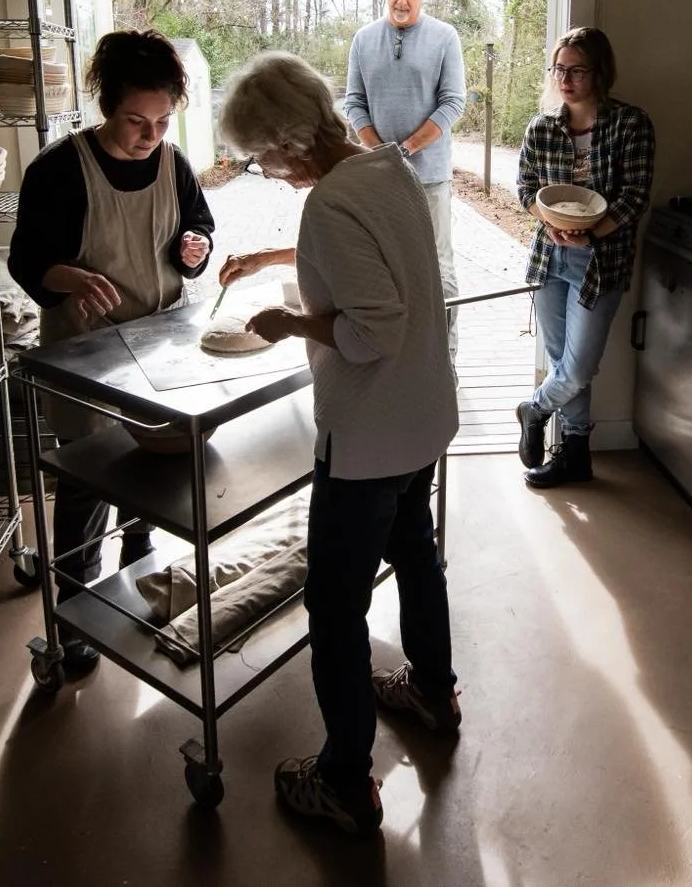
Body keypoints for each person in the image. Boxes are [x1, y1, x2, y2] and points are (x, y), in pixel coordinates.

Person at [218, 51, 459, 838]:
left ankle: (345, 780)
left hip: (370, 432)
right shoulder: (384, 167)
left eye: (262, 156)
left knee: (335, 606)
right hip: (423, 415)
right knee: (416, 553)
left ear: (286, 143)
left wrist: (292, 324)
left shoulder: (326, 203)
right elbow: (375, 261)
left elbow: (371, 328)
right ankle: (431, 690)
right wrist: (281, 261)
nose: (267, 170)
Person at [9, 30, 215, 674]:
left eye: (161, 121)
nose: (149, 135)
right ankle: (73, 619)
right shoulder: (59, 170)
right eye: (135, 120)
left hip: (162, 347)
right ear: (106, 106)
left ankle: (141, 567)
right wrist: (69, 277)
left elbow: (198, 225)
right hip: (87, 357)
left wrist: (195, 246)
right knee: (87, 484)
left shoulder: (173, 164)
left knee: (152, 475)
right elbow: (27, 260)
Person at [515, 26, 655, 489]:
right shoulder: (542, 127)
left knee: (578, 367)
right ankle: (576, 456)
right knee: (561, 362)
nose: (565, 78)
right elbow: (526, 191)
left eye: (576, 69)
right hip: (550, 260)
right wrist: (552, 223)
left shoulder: (630, 124)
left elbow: (635, 197)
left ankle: (533, 409)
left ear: (599, 72)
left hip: (601, 262)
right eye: (559, 68)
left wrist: (590, 233)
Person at [343, 0, 466, 364]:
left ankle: (445, 363)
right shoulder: (363, 40)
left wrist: (407, 149)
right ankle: (400, 363)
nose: (401, 0)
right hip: (378, 178)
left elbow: (453, 103)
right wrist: (381, 153)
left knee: (438, 272)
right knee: (384, 271)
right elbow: (354, 103)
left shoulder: (445, 37)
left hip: (429, 178)